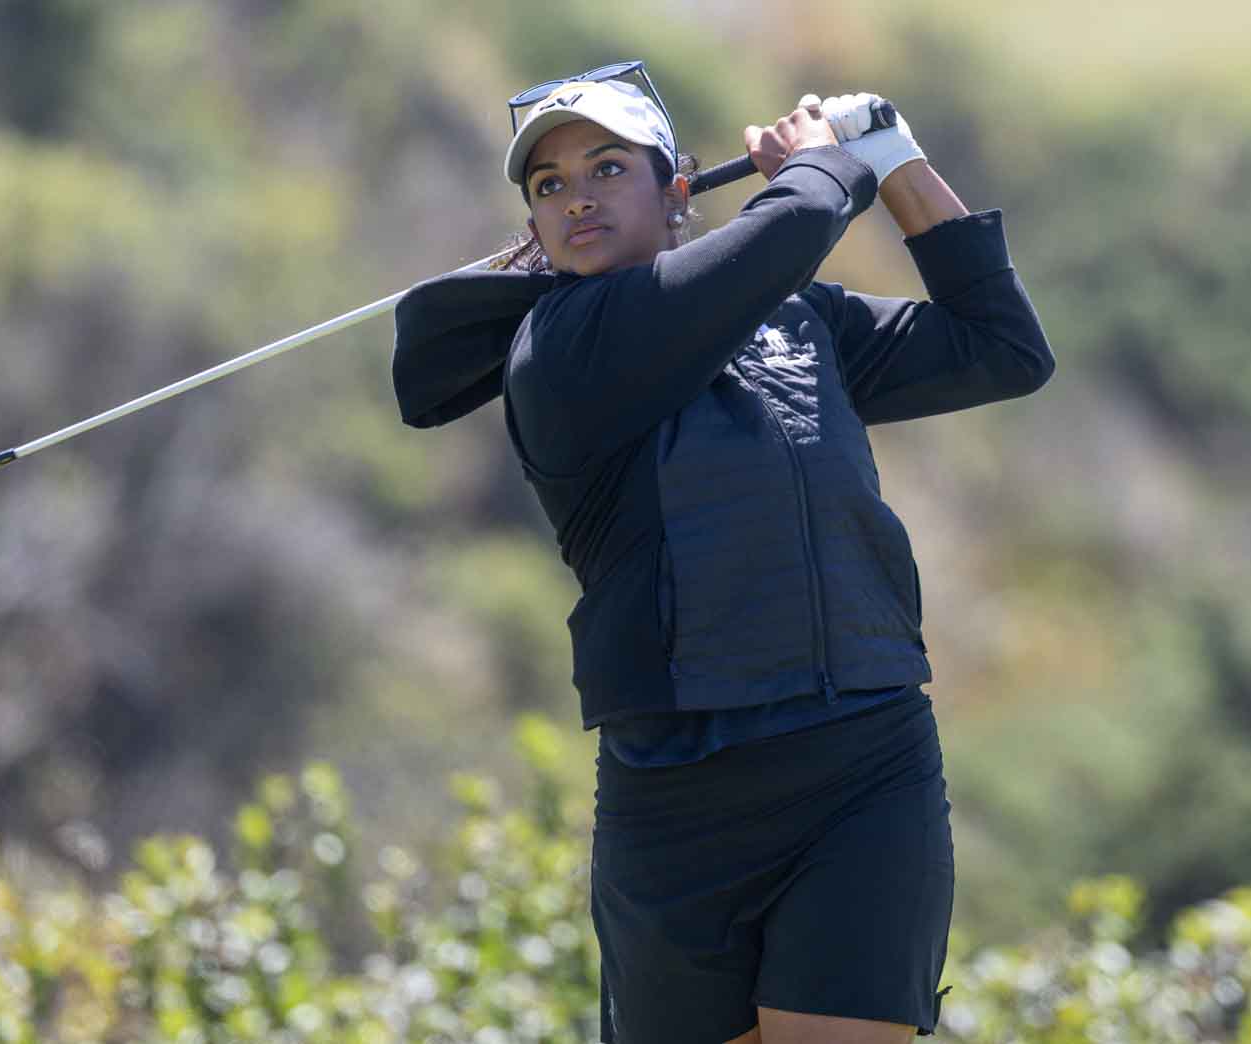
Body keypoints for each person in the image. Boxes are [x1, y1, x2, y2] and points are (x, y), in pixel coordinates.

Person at [392, 63, 1053, 1044]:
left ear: (675, 191)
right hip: (676, 803)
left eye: (606, 167)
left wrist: (893, 155)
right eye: (548, 184)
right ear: (531, 226)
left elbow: (1001, 346)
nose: (575, 196)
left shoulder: (800, 320)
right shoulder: (558, 349)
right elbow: (780, 235)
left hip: (858, 764)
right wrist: (825, 167)